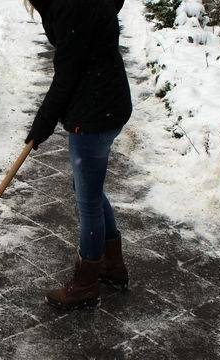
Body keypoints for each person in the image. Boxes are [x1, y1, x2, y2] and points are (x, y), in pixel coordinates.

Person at [23, 0, 133, 309]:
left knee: (87, 201)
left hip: (94, 111)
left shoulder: (71, 6)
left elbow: (66, 75)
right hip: (109, 100)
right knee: (88, 191)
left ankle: (86, 283)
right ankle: (112, 264)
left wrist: (42, 124)